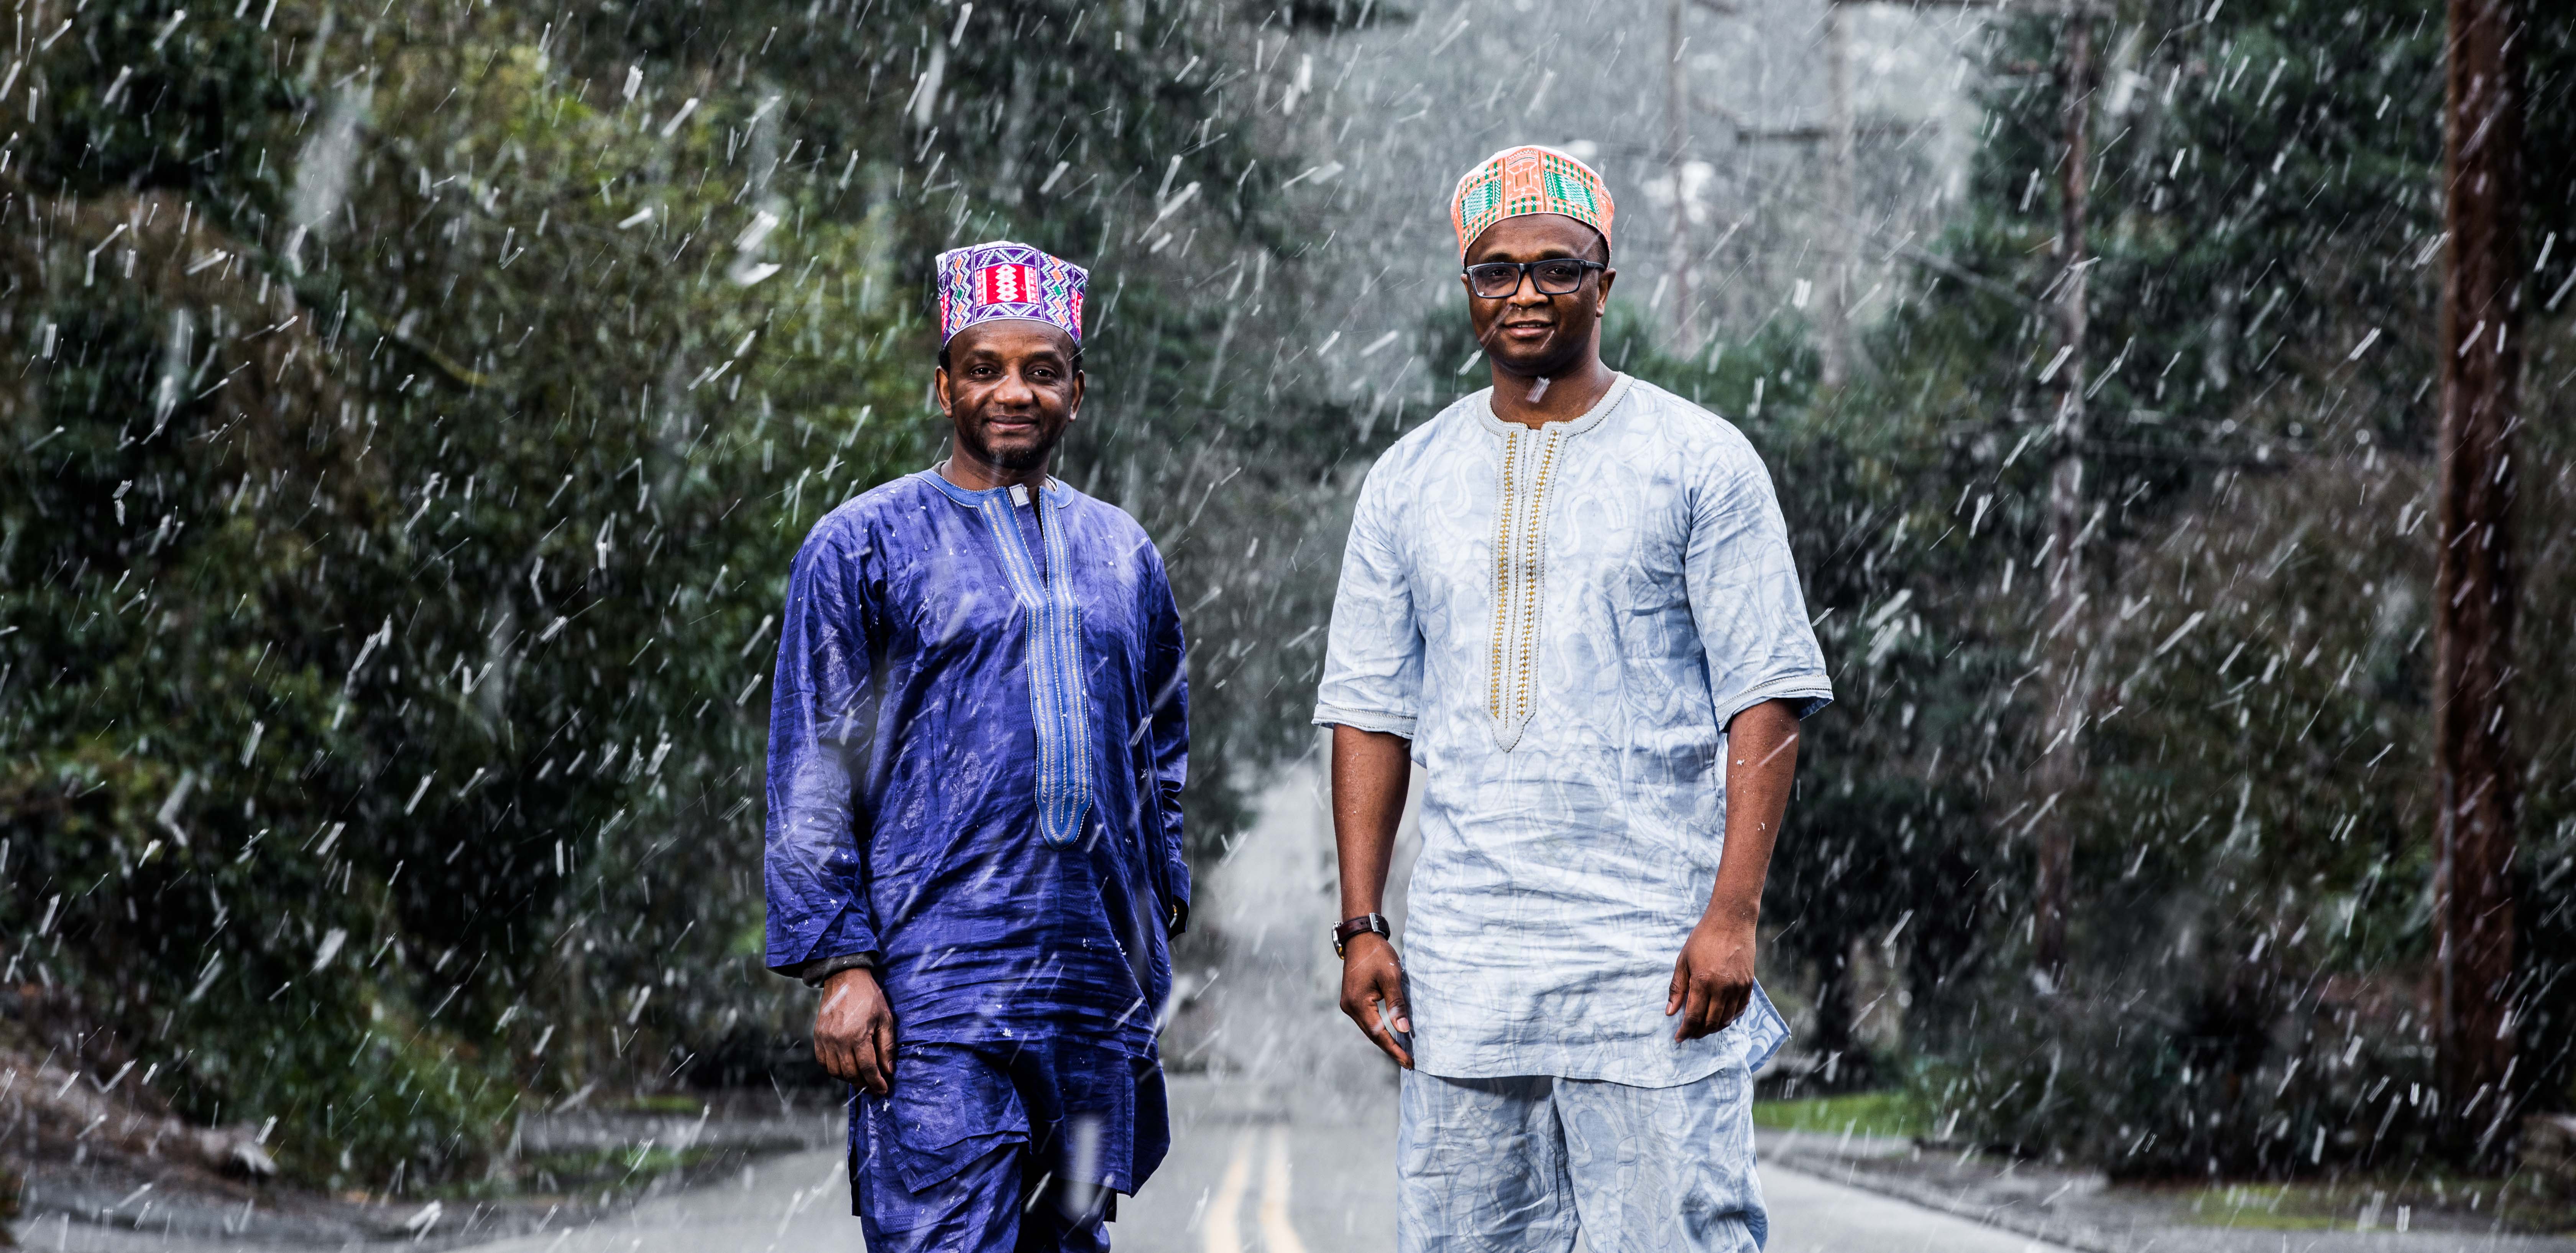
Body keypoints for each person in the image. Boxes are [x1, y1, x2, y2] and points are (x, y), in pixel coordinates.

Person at [1314, 145, 1833, 1251]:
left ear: (1606, 280)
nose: (1526, 293)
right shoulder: (1408, 478)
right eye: (1495, 271)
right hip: (1467, 981)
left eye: (1557, 266)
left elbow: (1767, 694)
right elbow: (1369, 708)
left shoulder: (1699, 459)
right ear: (1467, 289)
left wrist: (1732, 914)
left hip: (1652, 971)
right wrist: (1363, 923)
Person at [764, 240, 1191, 1253]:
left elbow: (1159, 745)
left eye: (1041, 370)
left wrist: (1158, 899)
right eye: (986, 367)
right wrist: (840, 959)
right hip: (933, 984)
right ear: (943, 382)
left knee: (1070, 1244)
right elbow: (813, 766)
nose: (1014, 392)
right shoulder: (861, 545)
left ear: (1076, 392)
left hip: (1088, 987)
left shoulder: (1122, 552)